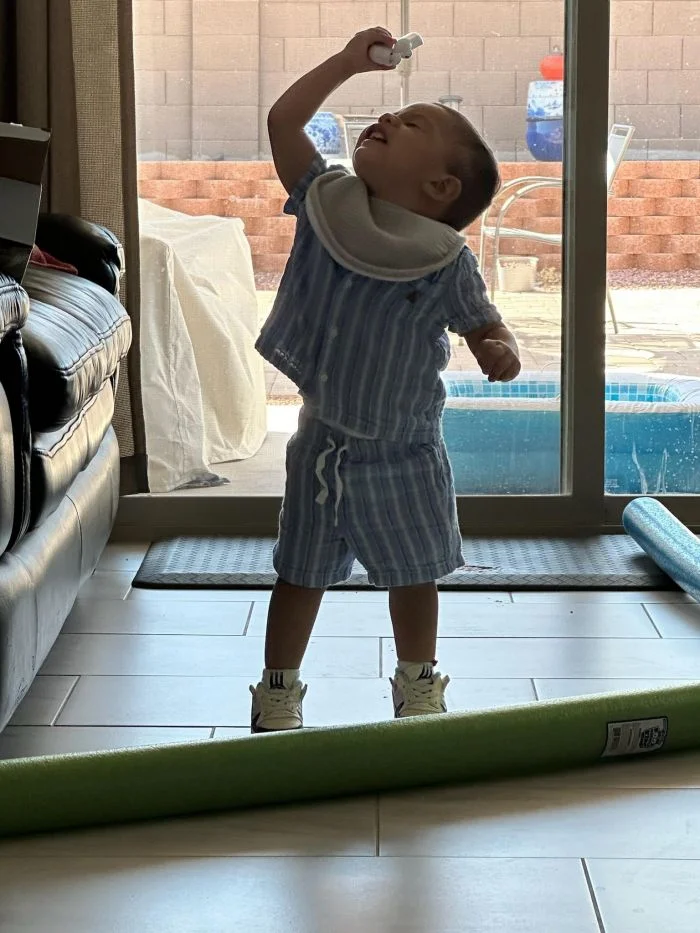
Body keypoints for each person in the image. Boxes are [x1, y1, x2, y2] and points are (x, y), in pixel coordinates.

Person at [250, 27, 521, 733]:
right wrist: (346, 64)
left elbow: (482, 321)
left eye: (413, 124)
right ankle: (278, 689)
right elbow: (284, 121)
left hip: (405, 450)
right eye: (395, 113)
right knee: (299, 572)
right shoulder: (327, 202)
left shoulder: (443, 260)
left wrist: (499, 347)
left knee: (414, 573)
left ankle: (417, 681)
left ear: (439, 187)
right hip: (323, 446)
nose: (389, 117)